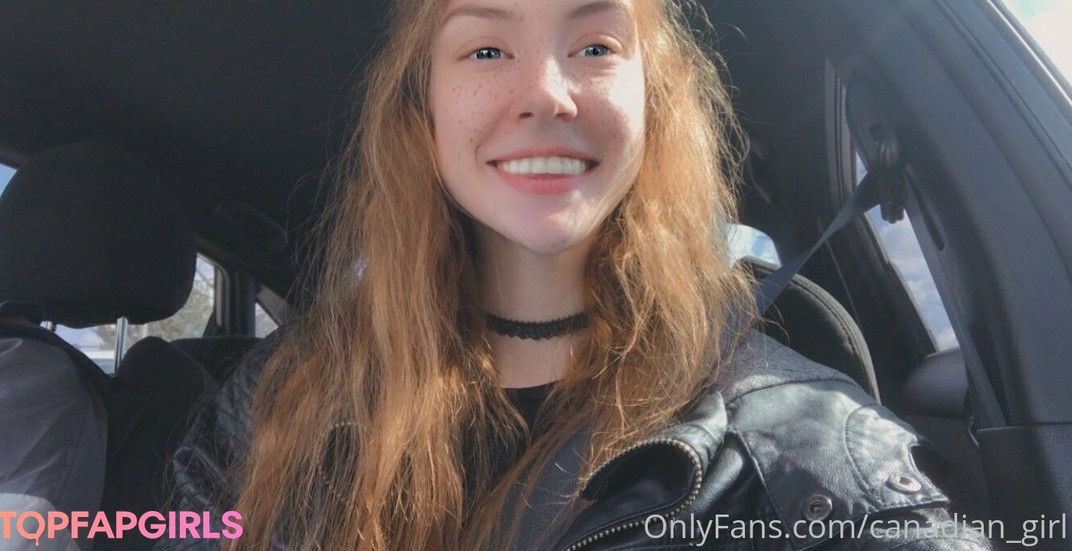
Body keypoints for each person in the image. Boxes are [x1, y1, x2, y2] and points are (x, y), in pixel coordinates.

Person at [161, 0, 992, 548]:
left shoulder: (807, 450)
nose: (547, 94)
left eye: (596, 46)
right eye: (487, 48)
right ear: (422, 110)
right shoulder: (276, 404)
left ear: (653, 102)